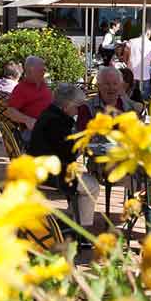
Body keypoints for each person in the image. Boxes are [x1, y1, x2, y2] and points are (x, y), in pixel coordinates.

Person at [28, 83, 100, 239]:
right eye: (78, 106)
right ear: (67, 105)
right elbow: (68, 153)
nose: (78, 110)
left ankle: (73, 220)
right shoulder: (57, 122)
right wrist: (83, 143)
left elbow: (63, 147)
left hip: (43, 167)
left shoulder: (50, 114)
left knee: (87, 181)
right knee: (92, 186)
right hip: (52, 173)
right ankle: (83, 233)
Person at [5, 55, 53, 142]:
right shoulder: (21, 88)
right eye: (42, 67)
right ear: (31, 70)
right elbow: (10, 111)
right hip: (35, 131)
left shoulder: (43, 85)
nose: (45, 70)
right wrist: (28, 120)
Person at [76, 66, 135, 132]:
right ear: (99, 86)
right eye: (107, 84)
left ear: (120, 86)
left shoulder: (129, 106)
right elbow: (82, 137)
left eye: (115, 84)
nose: (111, 88)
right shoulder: (87, 108)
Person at [125, 27, 151, 98]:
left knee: (128, 99)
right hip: (144, 76)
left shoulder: (131, 41)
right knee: (143, 100)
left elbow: (125, 56)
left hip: (131, 74)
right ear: (148, 33)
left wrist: (127, 63)